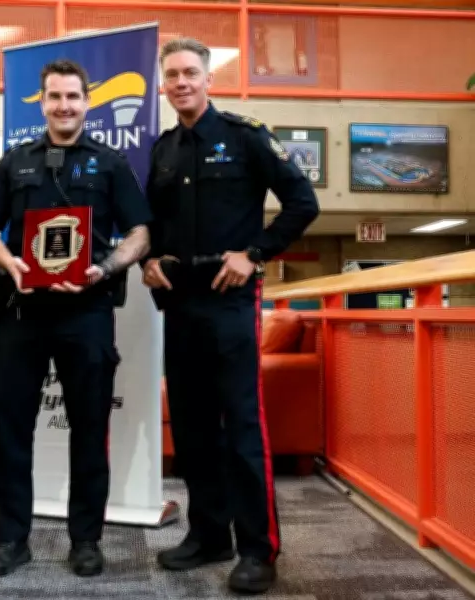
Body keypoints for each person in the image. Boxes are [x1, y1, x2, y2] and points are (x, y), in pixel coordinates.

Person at [141, 38, 320, 594]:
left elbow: (303, 202)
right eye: (172, 75)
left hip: (230, 300)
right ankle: (209, 535)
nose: (181, 83)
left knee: (242, 425)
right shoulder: (164, 149)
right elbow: (153, 222)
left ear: (208, 79)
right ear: (163, 85)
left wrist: (255, 254)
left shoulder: (246, 136)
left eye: (190, 73)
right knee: (192, 426)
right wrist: (148, 260)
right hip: (180, 303)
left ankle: (259, 549)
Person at [0, 59, 152, 578]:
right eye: (54, 96)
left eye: (73, 96)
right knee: (12, 432)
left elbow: (141, 233)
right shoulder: (16, 162)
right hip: (22, 313)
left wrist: (106, 268)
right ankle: (11, 540)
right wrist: (8, 261)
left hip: (87, 313)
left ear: (87, 102)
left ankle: (86, 540)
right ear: (43, 102)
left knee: (89, 431)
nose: (64, 105)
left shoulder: (110, 163)